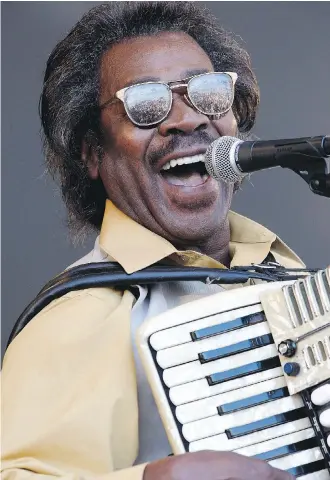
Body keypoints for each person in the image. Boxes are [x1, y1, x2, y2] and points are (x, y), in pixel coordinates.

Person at [2, 3, 329, 480]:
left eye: (209, 93)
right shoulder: (85, 315)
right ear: (94, 152)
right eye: (147, 104)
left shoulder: (282, 273)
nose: (187, 120)